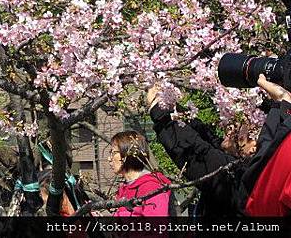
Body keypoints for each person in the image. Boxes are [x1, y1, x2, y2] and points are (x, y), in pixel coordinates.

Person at [148, 74, 291, 216]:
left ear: (256, 146)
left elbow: (200, 156)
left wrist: (160, 112)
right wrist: (170, 103)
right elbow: (207, 138)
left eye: (244, 125)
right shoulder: (250, 170)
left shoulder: (244, 181)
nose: (232, 126)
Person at [109, 130, 172, 216]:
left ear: (128, 154)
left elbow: (155, 226)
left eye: (113, 153)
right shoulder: (124, 189)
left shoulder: (152, 187)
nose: (109, 158)